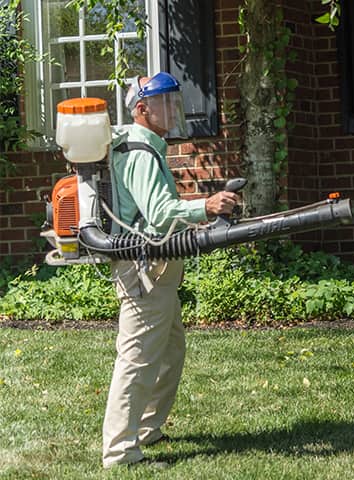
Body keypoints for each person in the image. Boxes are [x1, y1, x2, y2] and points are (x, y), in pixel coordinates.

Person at [101, 72, 238, 468]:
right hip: (145, 269)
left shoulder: (146, 147)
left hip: (156, 267)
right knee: (139, 357)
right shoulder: (140, 153)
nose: (174, 108)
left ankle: (146, 429)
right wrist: (205, 207)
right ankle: (121, 452)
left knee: (170, 350)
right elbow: (159, 215)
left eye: (175, 100)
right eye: (166, 102)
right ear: (142, 109)